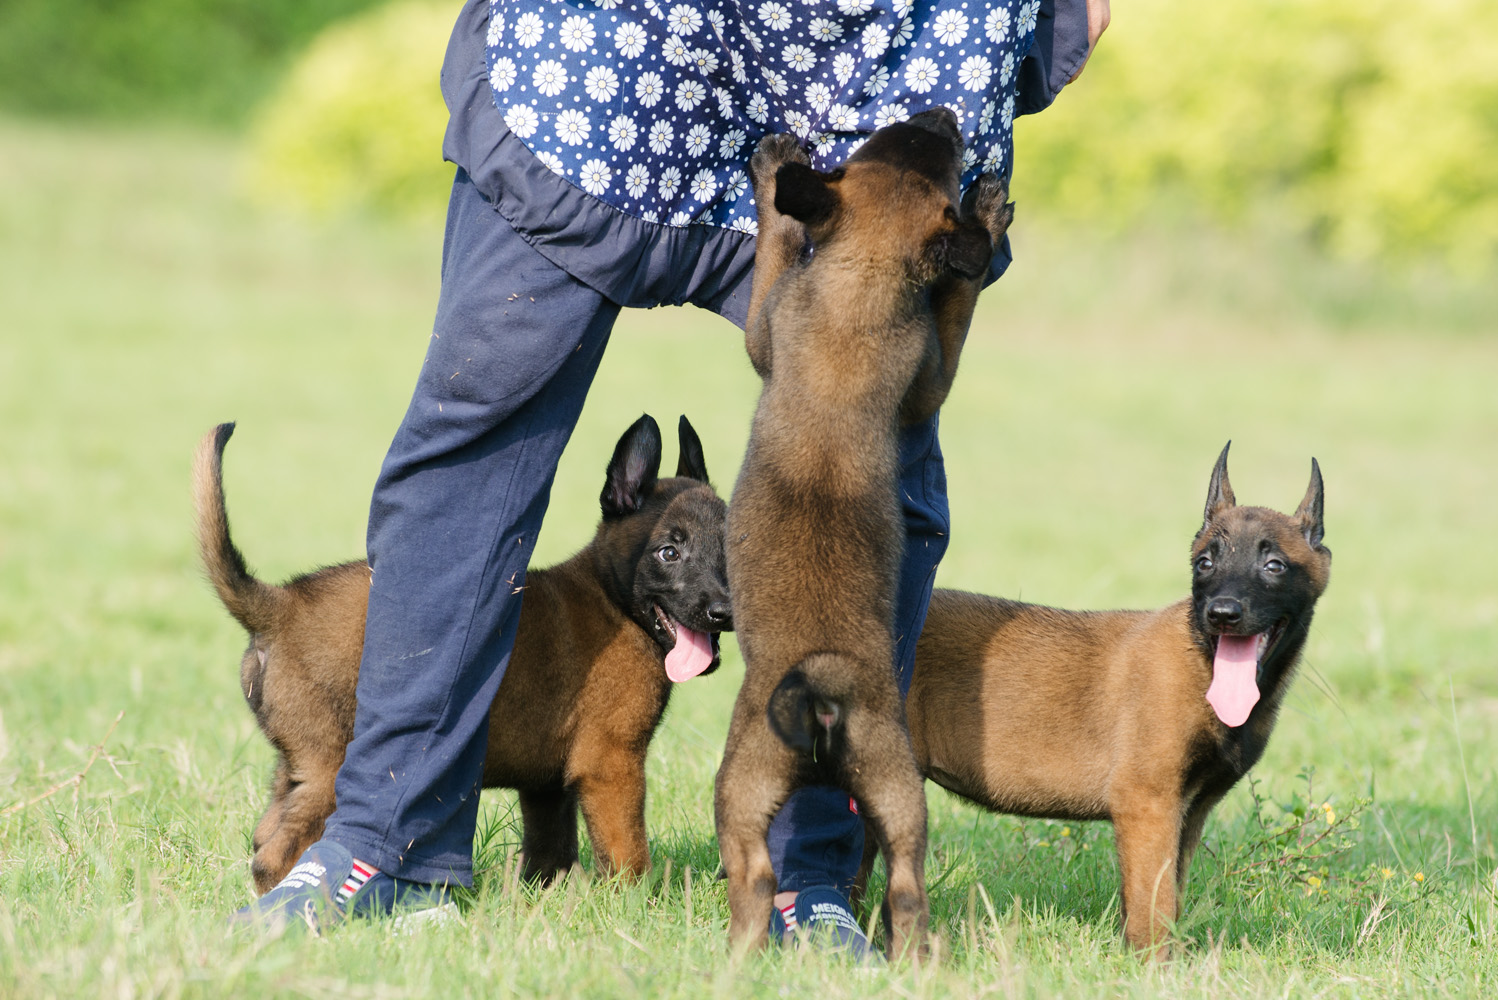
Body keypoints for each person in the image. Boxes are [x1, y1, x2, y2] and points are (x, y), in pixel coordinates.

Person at [233, 0, 1109, 947]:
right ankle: (389, 845)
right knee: (473, 433)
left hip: (899, 43)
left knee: (879, 475)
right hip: (618, 47)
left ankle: (805, 881)